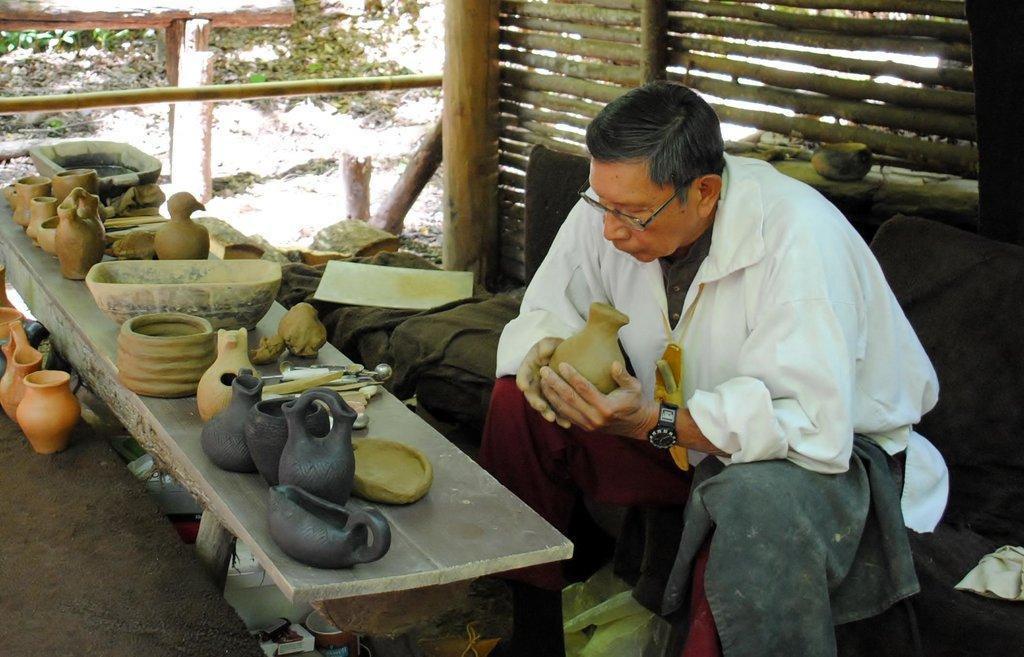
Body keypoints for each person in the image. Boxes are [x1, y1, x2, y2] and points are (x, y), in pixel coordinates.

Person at [480, 81, 949, 657]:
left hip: (826, 459)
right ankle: (532, 636)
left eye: (629, 213)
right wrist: (541, 351)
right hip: (679, 433)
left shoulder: (799, 238)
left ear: (704, 192)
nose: (609, 229)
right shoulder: (615, 203)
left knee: (749, 503)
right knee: (516, 407)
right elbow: (549, 305)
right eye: (600, 204)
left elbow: (805, 425)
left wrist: (652, 421)